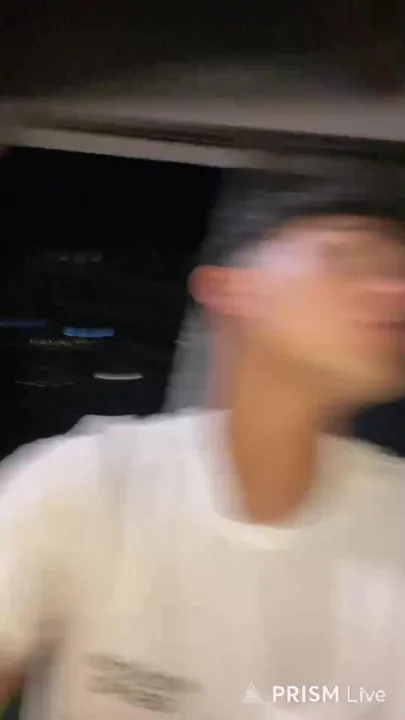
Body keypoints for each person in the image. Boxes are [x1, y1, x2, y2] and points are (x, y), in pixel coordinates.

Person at [2, 173, 405, 720]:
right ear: (229, 289)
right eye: (347, 258)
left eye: (397, 272)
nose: (394, 293)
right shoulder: (92, 483)